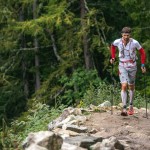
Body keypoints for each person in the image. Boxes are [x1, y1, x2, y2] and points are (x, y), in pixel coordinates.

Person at [110, 27, 146, 116]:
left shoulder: (135, 43)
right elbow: (112, 46)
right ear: (122, 34)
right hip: (122, 65)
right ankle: (124, 108)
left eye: (127, 35)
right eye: (124, 35)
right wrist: (113, 57)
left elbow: (142, 52)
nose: (126, 37)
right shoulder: (117, 41)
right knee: (124, 85)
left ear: (130, 35)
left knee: (131, 86)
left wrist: (142, 64)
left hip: (132, 66)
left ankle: (131, 106)